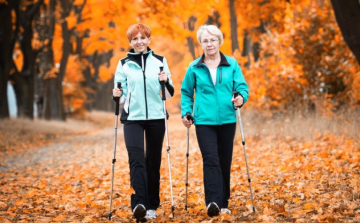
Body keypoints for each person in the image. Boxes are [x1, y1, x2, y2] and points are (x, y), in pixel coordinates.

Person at [180, 24, 249, 217]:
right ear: (201, 44)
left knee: (224, 160)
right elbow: (186, 93)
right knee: (210, 159)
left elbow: (242, 87)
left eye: (212, 40)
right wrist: (186, 112)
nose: (209, 44)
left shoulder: (232, 64)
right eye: (205, 41)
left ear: (219, 41)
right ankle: (213, 202)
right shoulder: (194, 67)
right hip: (203, 121)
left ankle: (224, 201)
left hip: (228, 119)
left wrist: (241, 98)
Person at [112, 23, 174, 221]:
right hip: (133, 119)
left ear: (149, 39)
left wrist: (165, 81)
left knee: (153, 161)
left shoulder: (160, 61)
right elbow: (120, 96)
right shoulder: (123, 64)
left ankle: (152, 205)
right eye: (135, 39)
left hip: (156, 117)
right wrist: (116, 94)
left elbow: (169, 93)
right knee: (136, 159)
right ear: (130, 42)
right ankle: (139, 202)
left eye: (142, 38)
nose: (139, 42)